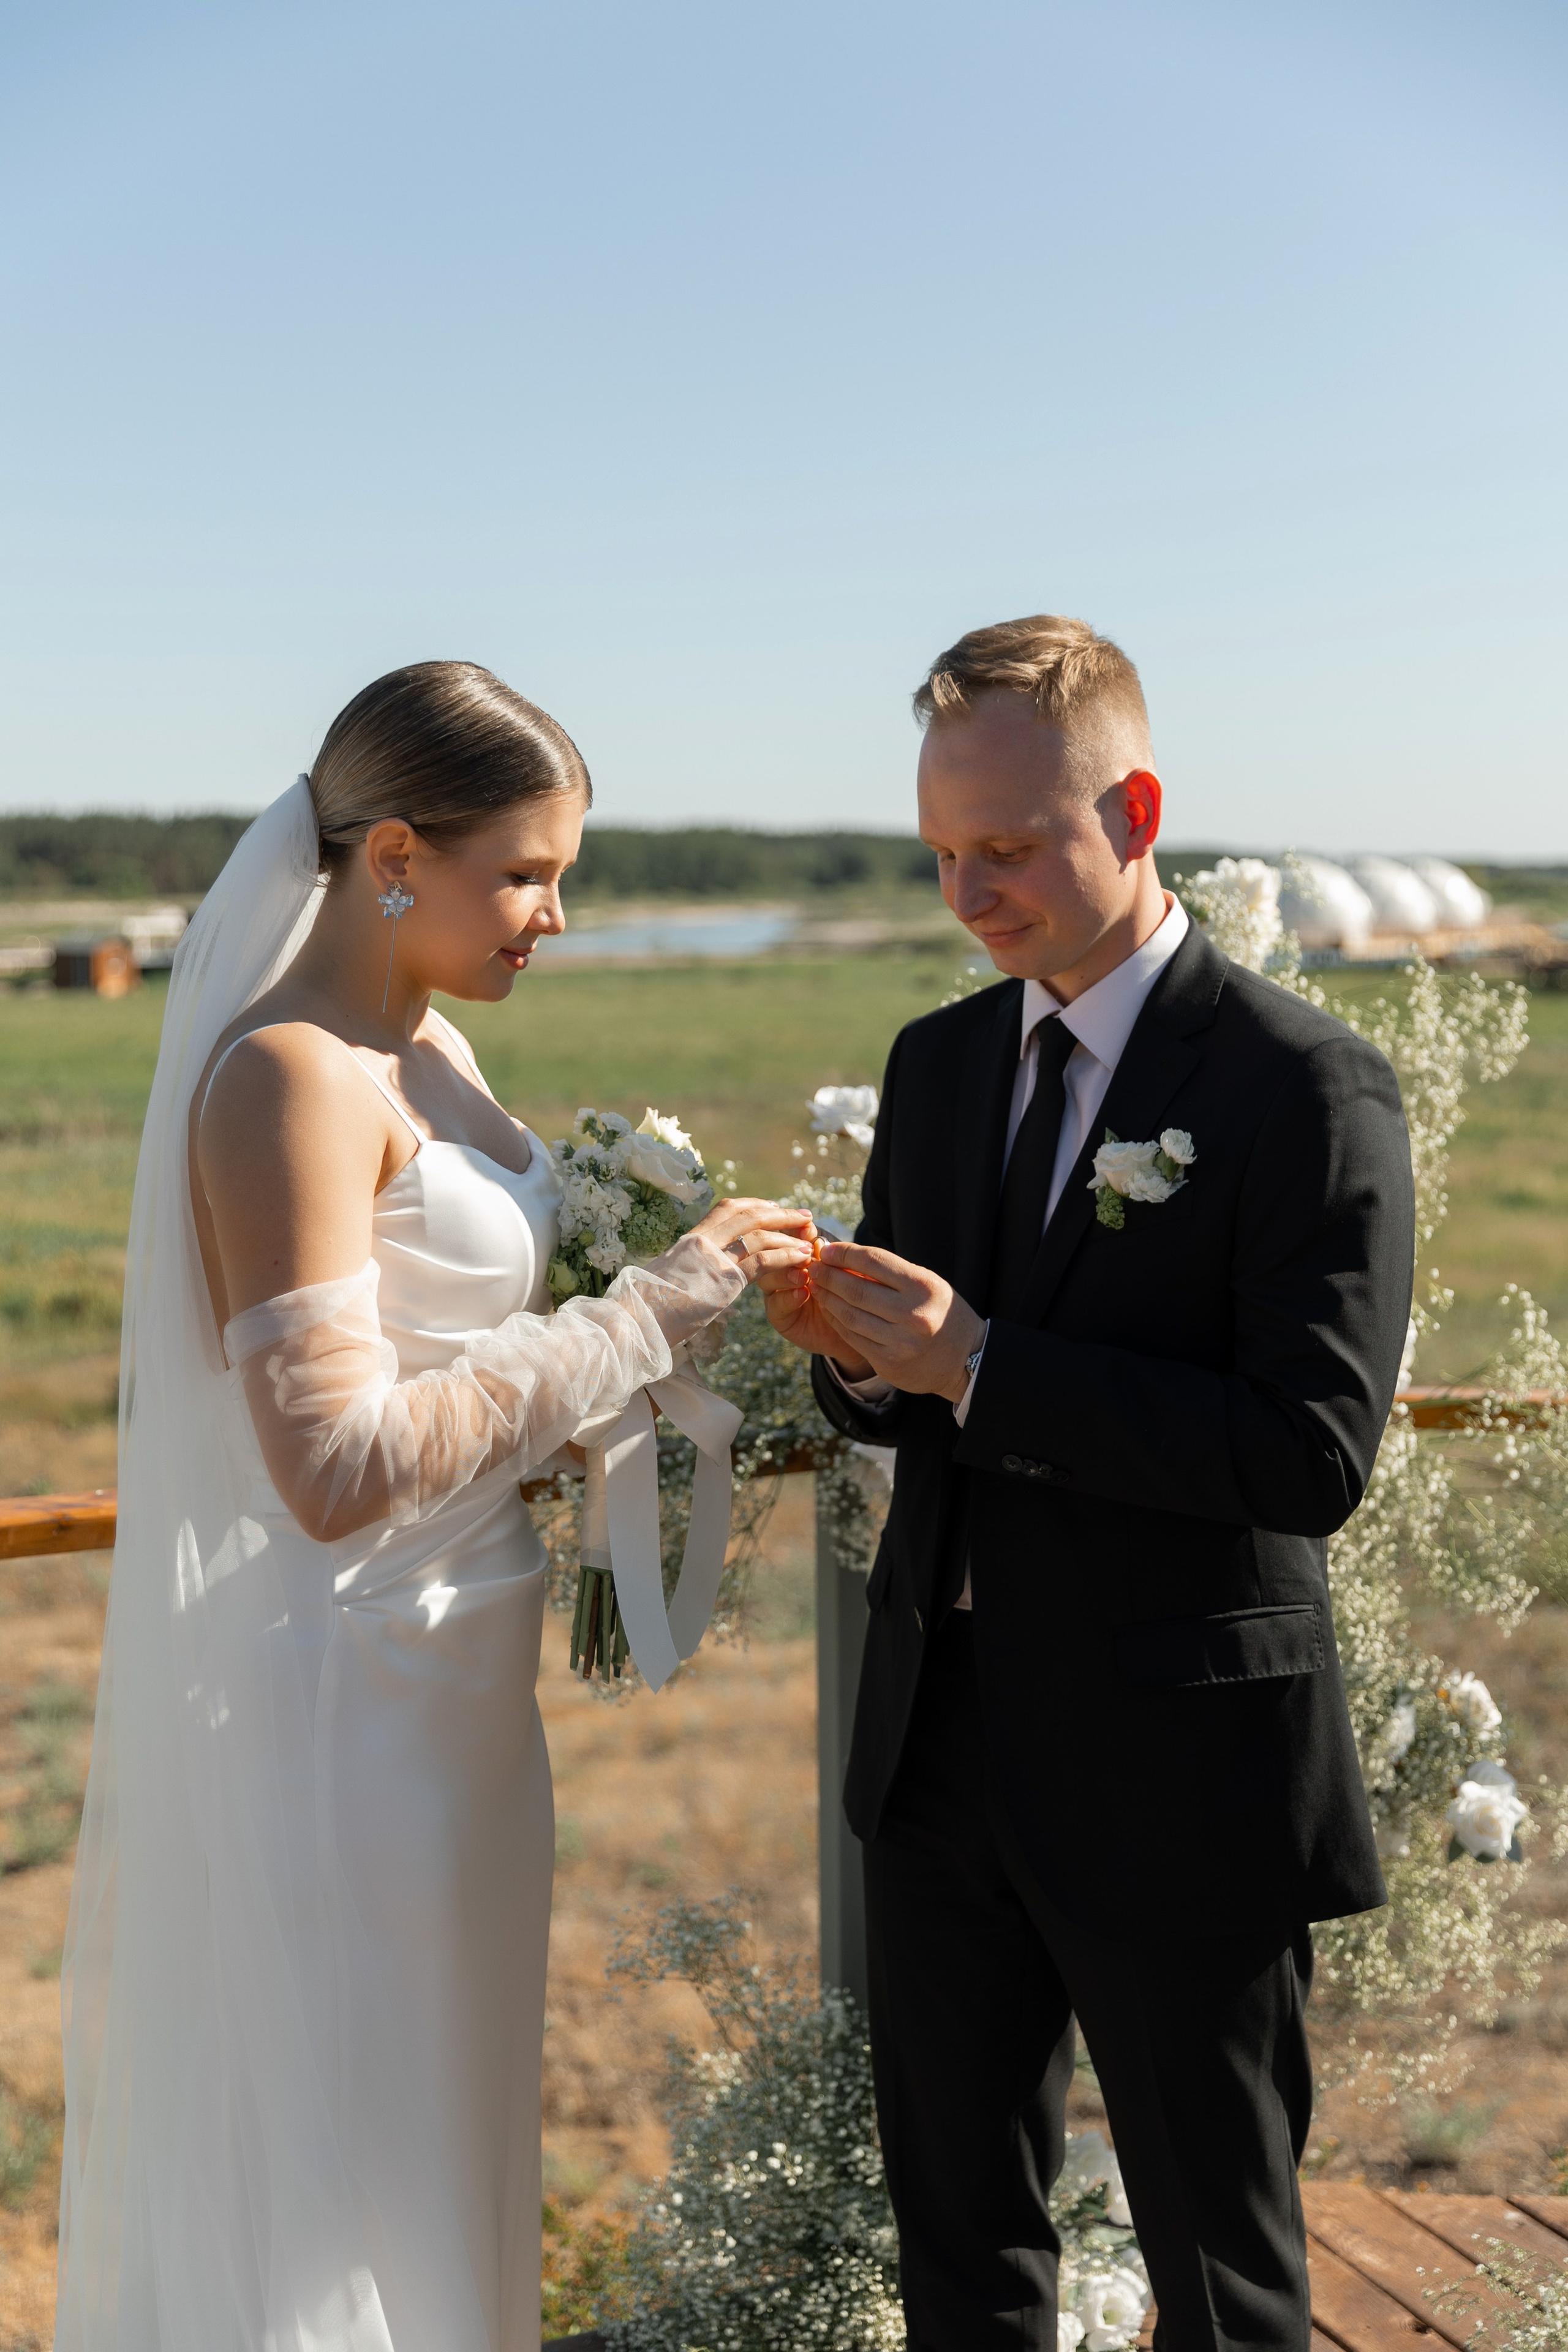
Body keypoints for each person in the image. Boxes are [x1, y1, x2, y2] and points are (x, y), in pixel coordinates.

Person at [54, 661, 812, 2352]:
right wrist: (639, 1320)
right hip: (350, 1698)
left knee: (449, 2123)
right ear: (397, 850)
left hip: (468, 1678)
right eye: (528, 873)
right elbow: (328, 1472)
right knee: (347, 2154)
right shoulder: (290, 1083)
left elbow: (450, 1354)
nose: (555, 915)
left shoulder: (435, 1039)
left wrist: (634, 1375)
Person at [760, 616, 1414, 2352]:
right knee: (963, 2261)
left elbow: (1309, 1451)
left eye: (1009, 849)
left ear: (1134, 808)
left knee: (1224, 2276)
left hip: (1178, 1769)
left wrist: (976, 1359)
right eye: (943, 857)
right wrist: (848, 1350)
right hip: (941, 1747)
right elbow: (918, 1412)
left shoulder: (1301, 1084)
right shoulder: (943, 1063)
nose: (970, 896)